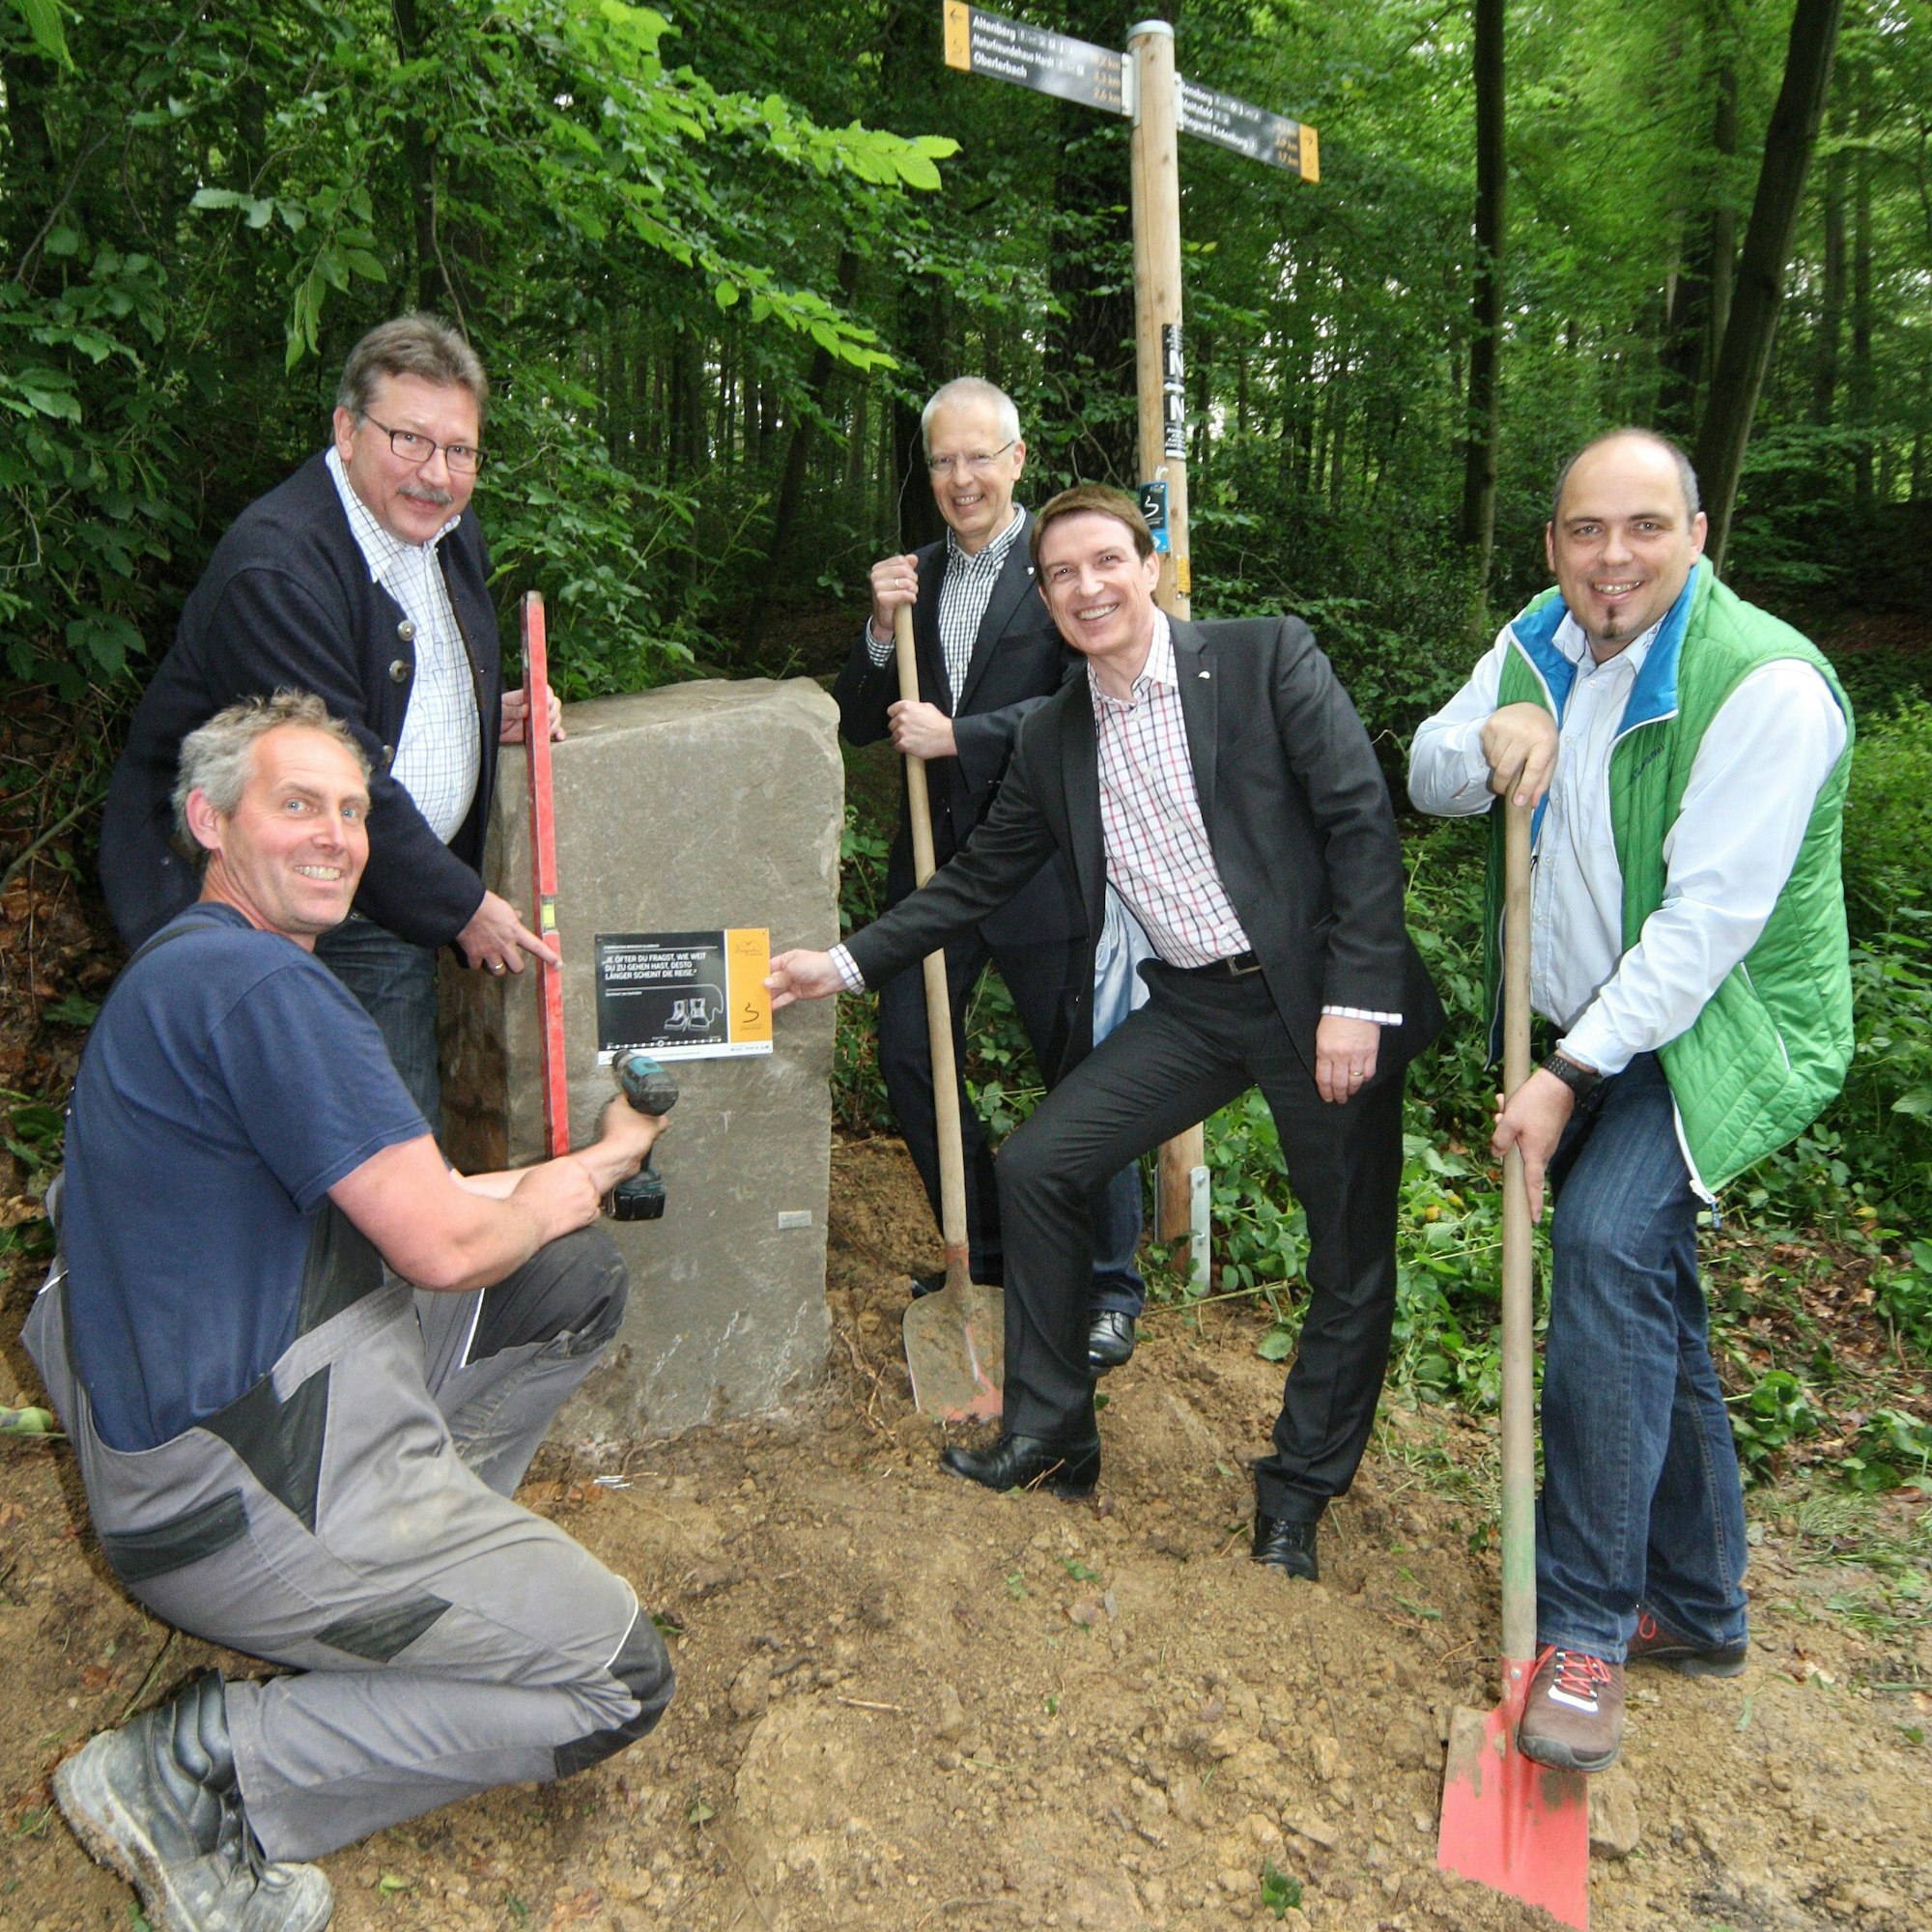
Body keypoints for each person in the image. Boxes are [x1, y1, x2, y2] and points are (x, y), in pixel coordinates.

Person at [32, 694, 674, 1932]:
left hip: (228, 1416)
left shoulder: (195, 971)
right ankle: (203, 1771)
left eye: (350, 810)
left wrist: (592, 1168)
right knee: (614, 1675)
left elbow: (416, 1198)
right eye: (297, 804)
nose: (334, 835)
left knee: (564, 1281)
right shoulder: (266, 991)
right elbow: (440, 1240)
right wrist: (548, 1193)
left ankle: (420, 1584)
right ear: (209, 818)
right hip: (239, 1481)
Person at [777, 486, 1443, 1578]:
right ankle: (1051, 1436)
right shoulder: (1052, 734)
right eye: (1061, 575)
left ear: (1148, 566)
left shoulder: (1264, 658)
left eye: (1104, 562)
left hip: (1317, 998)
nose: (1087, 587)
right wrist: (841, 962)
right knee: (1042, 1162)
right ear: (1042, 601)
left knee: (1346, 1258)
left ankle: (1298, 1490)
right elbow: (974, 878)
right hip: (1192, 1005)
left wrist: (1356, 999)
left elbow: (1358, 818)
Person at [1408, 429, 1854, 1774]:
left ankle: (1590, 1629)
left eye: (1643, 528)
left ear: (1697, 536)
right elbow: (1428, 777)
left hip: (1721, 1022)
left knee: (1603, 1245)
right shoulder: (1537, 636)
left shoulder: (1765, 685)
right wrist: (1493, 727)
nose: (1613, 559)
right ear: (1551, 545)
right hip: (1600, 1020)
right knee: (1649, 1282)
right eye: (1586, 531)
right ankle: (1703, 1602)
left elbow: (1709, 927)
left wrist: (1559, 1077)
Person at [99, 313, 561, 1136]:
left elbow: (392, 676)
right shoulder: (277, 568)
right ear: (346, 430)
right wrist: (461, 905)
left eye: (461, 451)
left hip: (371, 890)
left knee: (362, 1144)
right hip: (270, 904)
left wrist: (489, 714)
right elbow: (335, 764)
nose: (438, 474)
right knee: (358, 1155)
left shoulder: (448, 535)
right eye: (410, 440)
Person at [836, 378, 1147, 1371]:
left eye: (979, 457)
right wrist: (881, 635)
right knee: (907, 1056)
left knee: (1081, 1075)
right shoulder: (913, 577)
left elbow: (1086, 704)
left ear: (1016, 460)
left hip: (1046, 863)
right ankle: (999, 1249)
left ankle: (1108, 1282)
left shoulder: (1060, 570)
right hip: (933, 862)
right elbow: (853, 716)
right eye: (942, 461)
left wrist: (956, 736)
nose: (961, 477)